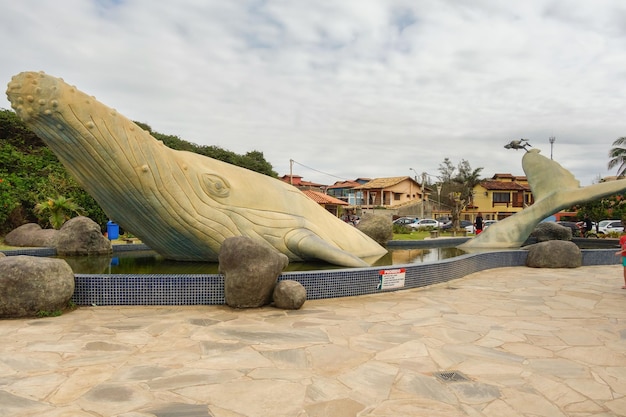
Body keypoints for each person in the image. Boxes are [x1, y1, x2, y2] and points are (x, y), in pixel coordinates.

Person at [616, 220, 626, 289]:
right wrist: (621, 255)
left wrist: (620, 252)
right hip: (625, 256)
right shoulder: (623, 238)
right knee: (625, 270)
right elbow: (622, 247)